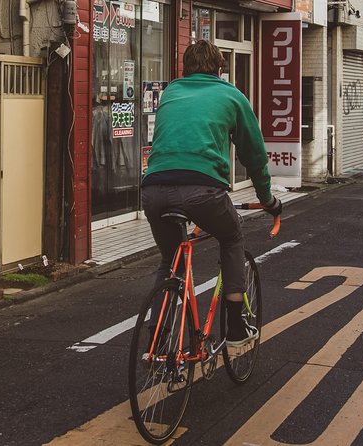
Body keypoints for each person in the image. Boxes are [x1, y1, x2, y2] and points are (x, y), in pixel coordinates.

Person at [141, 40, 282, 347]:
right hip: (203, 190)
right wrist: (267, 198)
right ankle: (234, 328)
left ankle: (157, 338)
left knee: (171, 259)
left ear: (185, 68)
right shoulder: (231, 95)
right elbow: (254, 155)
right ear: (220, 70)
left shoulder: (171, 92)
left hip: (153, 189)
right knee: (231, 237)